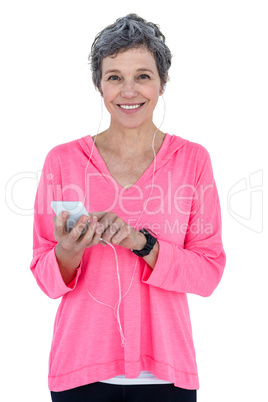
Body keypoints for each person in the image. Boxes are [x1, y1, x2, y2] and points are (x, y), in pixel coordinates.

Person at [30, 14, 226, 402]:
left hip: (167, 377)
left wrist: (143, 243)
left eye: (143, 75)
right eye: (114, 77)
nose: (128, 90)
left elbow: (208, 273)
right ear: (99, 85)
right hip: (79, 375)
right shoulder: (62, 161)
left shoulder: (193, 160)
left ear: (162, 82)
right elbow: (44, 276)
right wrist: (69, 252)